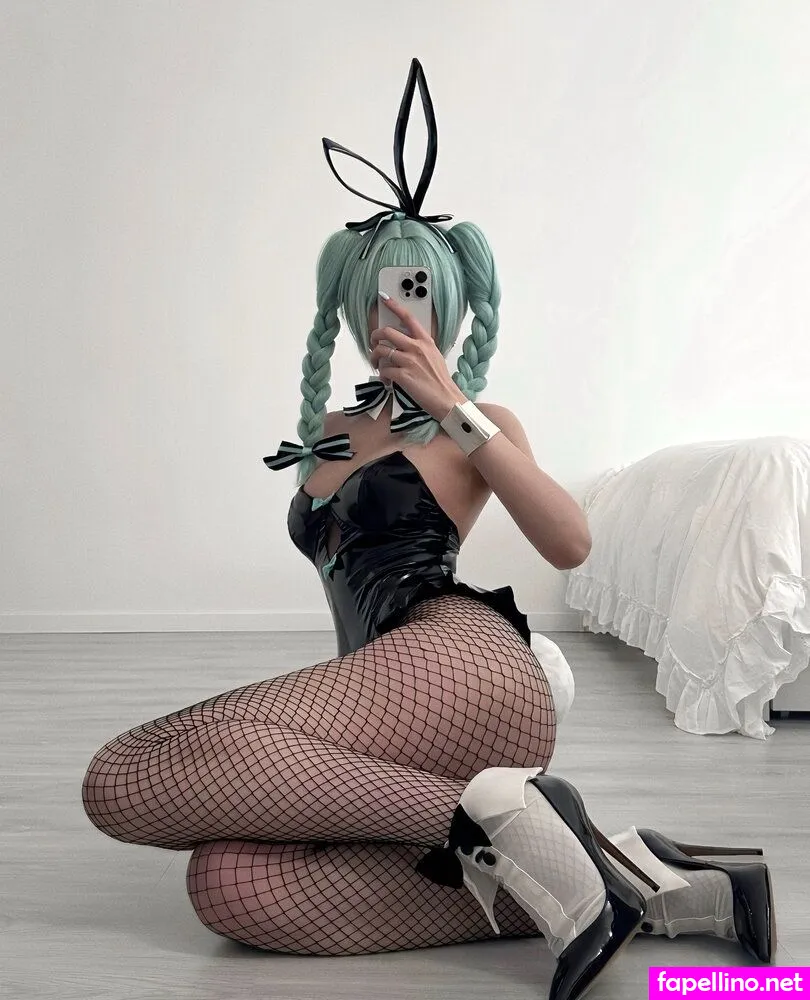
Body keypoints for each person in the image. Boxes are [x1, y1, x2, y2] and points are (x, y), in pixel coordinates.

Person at [81, 59, 774, 1000]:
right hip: (387, 693)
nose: (389, 313)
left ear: (444, 300)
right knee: (232, 884)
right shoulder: (332, 428)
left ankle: (507, 818)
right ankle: (644, 879)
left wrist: (453, 405)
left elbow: (571, 542)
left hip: (465, 658)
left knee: (123, 773)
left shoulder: (475, 422)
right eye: (372, 295)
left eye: (407, 291)